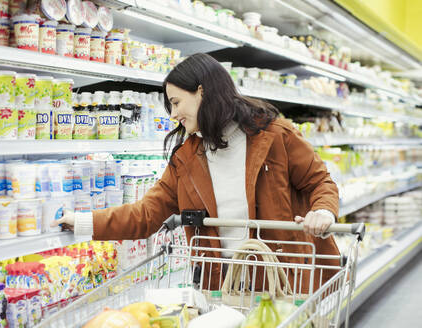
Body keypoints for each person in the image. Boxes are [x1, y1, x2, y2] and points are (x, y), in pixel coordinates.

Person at [54, 53, 340, 292]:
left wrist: (324, 212)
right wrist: (81, 221)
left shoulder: (275, 136)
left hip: (282, 282)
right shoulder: (186, 158)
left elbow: (320, 182)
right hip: (222, 285)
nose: (173, 115)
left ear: (202, 92)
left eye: (176, 102)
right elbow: (147, 214)